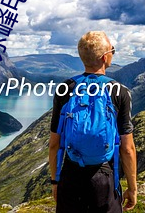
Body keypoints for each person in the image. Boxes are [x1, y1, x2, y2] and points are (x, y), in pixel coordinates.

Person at [49, 31, 137, 213]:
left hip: (71, 175)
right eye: (113, 50)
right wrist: (132, 188)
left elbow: (54, 144)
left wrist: (55, 181)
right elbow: (127, 148)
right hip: (104, 178)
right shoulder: (119, 92)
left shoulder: (65, 88)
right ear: (105, 57)